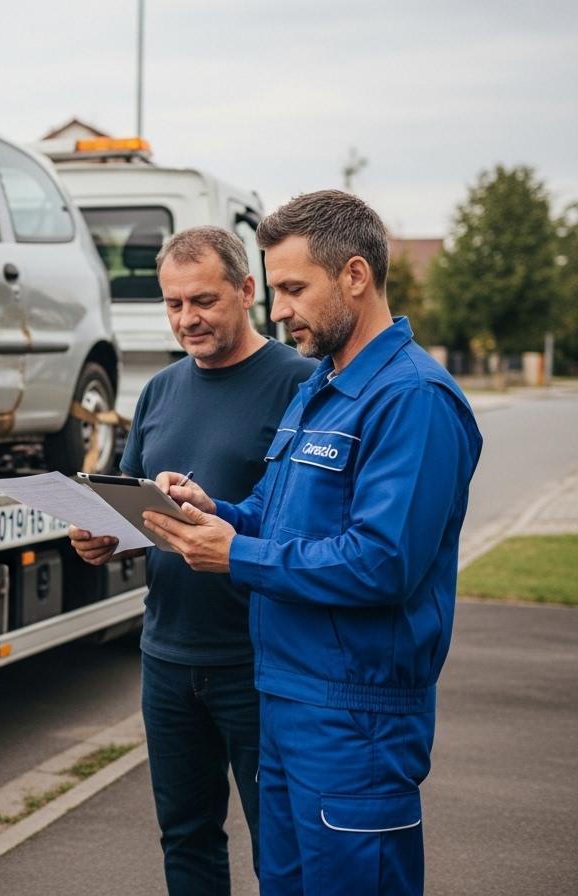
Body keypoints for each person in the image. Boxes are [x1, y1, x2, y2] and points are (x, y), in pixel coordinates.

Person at [142, 191, 483, 896]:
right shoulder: (321, 389)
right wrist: (214, 510)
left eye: (294, 288)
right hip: (285, 699)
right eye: (275, 290)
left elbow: (381, 563)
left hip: (356, 716)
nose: (278, 311)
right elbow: (274, 513)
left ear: (354, 276)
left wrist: (233, 554)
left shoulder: (413, 398)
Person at [69, 226, 315, 895]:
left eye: (202, 300)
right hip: (169, 659)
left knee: (282, 847)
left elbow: (306, 522)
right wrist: (103, 536)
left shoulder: (301, 386)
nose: (187, 319)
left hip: (260, 665)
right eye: (173, 304)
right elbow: (136, 508)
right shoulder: (160, 391)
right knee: (185, 836)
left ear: (246, 291)